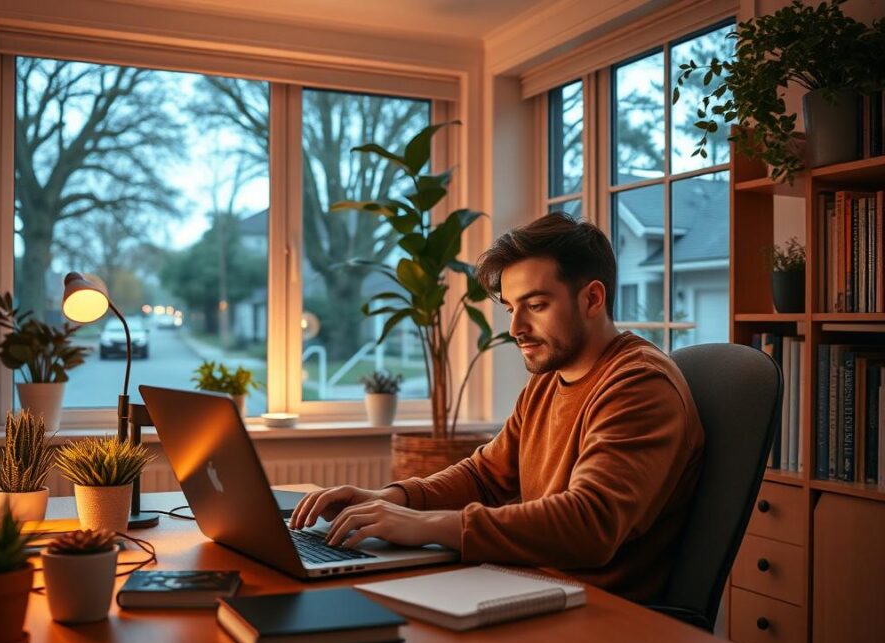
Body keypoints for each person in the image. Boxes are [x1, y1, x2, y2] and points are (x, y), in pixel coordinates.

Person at [289, 213, 704, 602]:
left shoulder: (640, 384)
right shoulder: (547, 380)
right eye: (511, 308)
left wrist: (424, 525)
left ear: (592, 299)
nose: (515, 328)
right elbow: (485, 476)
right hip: (525, 584)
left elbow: (589, 524)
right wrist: (392, 498)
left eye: (536, 305)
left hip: (597, 614)